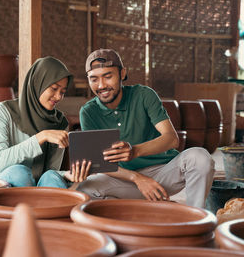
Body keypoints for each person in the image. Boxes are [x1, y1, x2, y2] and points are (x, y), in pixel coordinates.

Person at [75, 48, 215, 208]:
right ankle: (141, 209)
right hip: (126, 180)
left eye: (108, 77)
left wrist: (135, 151)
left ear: (122, 74)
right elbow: (99, 163)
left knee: (200, 158)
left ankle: (194, 217)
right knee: (85, 189)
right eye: (94, 79)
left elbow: (171, 139)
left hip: (164, 174)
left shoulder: (143, 95)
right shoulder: (88, 112)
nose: (101, 85)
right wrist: (137, 178)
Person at [0, 56, 91, 188]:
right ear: (38, 83)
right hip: (5, 187)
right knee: (20, 173)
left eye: (63, 92)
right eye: (54, 88)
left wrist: (65, 175)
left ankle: (51, 208)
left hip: (38, 189)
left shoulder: (60, 122)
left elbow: (48, 172)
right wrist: (40, 137)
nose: (59, 96)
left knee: (52, 177)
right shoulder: (3, 111)